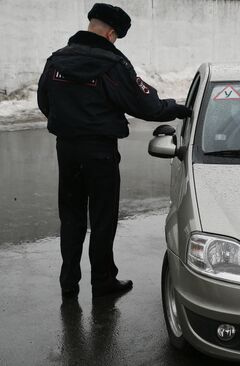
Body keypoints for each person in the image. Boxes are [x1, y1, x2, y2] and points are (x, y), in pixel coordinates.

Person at [37, 3, 191, 298]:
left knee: (71, 216)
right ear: (110, 34)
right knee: (103, 216)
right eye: (116, 36)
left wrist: (70, 122)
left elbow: (45, 102)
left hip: (66, 150)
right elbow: (144, 104)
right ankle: (103, 281)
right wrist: (175, 108)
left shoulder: (56, 61)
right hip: (100, 152)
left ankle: (68, 282)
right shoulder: (113, 64)